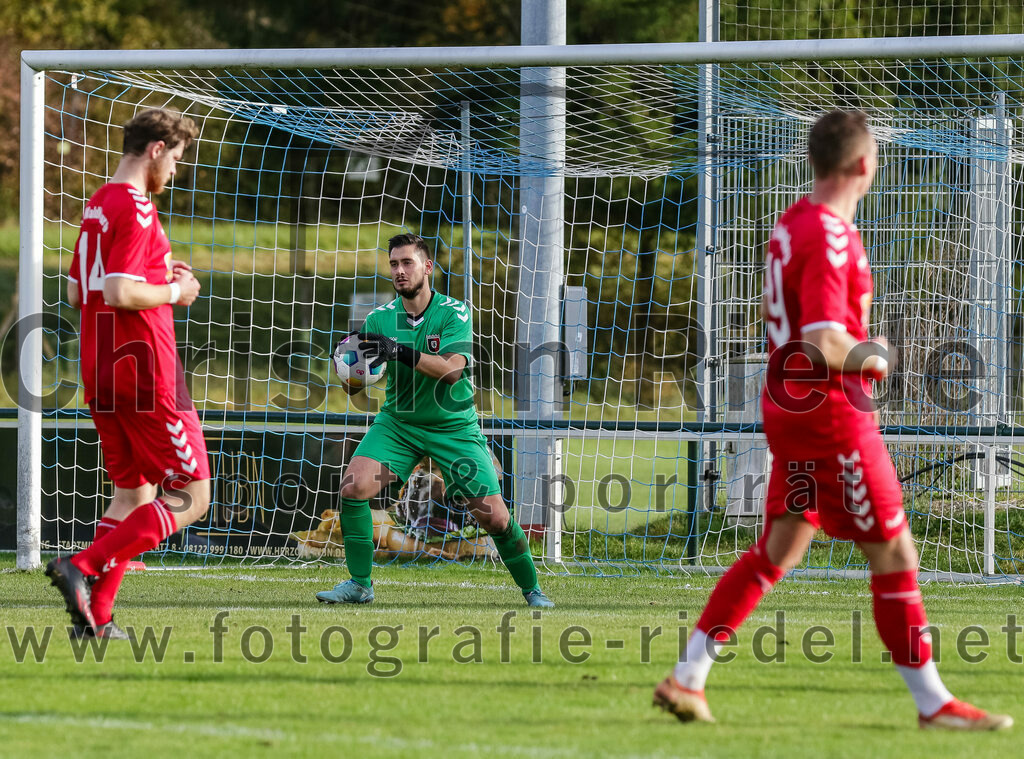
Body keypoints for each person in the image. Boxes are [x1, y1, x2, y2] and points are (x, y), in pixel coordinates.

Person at [653, 110, 1012, 730]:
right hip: (829, 412)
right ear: (865, 165)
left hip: (790, 407)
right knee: (894, 549)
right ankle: (934, 703)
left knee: (781, 545)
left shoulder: (793, 221)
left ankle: (687, 677)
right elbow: (822, 338)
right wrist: (880, 357)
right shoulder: (830, 235)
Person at [316, 233, 554, 607]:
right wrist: (349, 368)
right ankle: (359, 584)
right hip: (399, 424)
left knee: (495, 519)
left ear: (427, 267)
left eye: (407, 262)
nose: (399, 270)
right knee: (354, 487)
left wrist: (398, 350)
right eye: (394, 263)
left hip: (453, 427)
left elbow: (451, 372)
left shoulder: (454, 313)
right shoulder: (379, 318)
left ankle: (533, 590)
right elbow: (354, 391)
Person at [45, 108, 211, 639]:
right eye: (177, 160)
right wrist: (174, 292)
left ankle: (98, 618)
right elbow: (119, 291)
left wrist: (157, 272)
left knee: (133, 492)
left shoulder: (97, 205)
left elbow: (78, 292)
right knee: (193, 494)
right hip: (146, 368)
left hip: (99, 365)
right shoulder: (137, 208)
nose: (174, 174)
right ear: (157, 149)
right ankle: (83, 565)